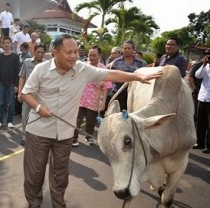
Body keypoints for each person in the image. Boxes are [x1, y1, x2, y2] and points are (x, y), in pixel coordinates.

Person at [21, 34, 162, 208]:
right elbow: (25, 93)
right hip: (39, 131)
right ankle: (34, 203)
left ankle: (58, 204)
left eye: (75, 52)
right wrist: (38, 108)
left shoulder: (83, 69)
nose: (74, 56)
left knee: (60, 174)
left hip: (65, 133)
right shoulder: (40, 70)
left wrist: (137, 77)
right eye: (68, 52)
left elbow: (110, 74)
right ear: (55, 52)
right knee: (34, 173)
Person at [72, 46, 112, 147]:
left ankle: (88, 137)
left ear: (99, 56)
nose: (92, 57)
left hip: (93, 100)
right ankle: (74, 139)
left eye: (94, 55)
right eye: (90, 55)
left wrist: (103, 103)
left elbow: (106, 87)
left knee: (91, 121)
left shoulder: (103, 69)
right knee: (76, 119)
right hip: (79, 98)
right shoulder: (82, 66)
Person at [18, 43, 46, 145]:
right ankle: (25, 136)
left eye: (42, 52)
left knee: (40, 116)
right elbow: (22, 77)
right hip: (27, 94)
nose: (40, 54)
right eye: (38, 52)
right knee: (25, 115)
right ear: (34, 51)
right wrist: (20, 92)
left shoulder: (47, 64)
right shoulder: (27, 62)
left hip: (41, 96)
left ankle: (38, 136)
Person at [110, 40, 144, 110]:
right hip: (117, 92)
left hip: (133, 93)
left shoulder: (140, 63)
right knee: (116, 115)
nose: (127, 50)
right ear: (122, 49)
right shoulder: (116, 62)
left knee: (129, 115)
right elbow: (111, 77)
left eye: (129, 48)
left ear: (133, 49)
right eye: (125, 48)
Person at [0, 37, 20, 128]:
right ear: (2, 44)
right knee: (1, 103)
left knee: (11, 103)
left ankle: (9, 121)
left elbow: (18, 71)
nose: (6, 44)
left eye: (8, 42)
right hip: (2, 83)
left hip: (12, 83)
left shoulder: (15, 56)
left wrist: (17, 85)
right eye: (4, 43)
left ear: (11, 44)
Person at [194, 54, 210, 154]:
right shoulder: (206, 66)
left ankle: (209, 146)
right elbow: (197, 75)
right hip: (203, 97)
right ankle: (200, 143)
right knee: (200, 122)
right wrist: (204, 65)